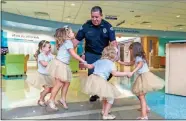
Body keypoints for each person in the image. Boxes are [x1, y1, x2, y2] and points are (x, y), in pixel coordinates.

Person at [72, 6, 117, 102]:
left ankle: (100, 87)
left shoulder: (107, 26)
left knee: (108, 73)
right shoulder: (86, 26)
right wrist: (69, 50)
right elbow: (76, 40)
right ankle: (95, 93)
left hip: (104, 55)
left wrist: (115, 53)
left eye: (97, 17)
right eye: (93, 17)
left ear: (101, 16)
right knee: (93, 74)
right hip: (91, 53)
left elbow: (113, 41)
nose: (94, 19)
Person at [82, 44, 130, 120]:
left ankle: (104, 111)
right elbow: (115, 74)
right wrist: (127, 73)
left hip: (93, 79)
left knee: (105, 96)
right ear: (113, 55)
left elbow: (90, 66)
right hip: (101, 80)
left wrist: (84, 63)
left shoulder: (99, 61)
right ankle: (106, 115)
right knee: (111, 98)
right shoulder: (111, 63)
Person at [46, 26, 87, 110]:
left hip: (63, 65)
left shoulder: (67, 42)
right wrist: (82, 60)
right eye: (72, 32)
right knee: (59, 84)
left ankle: (62, 99)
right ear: (67, 35)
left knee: (67, 82)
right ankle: (51, 100)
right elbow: (73, 54)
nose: (73, 33)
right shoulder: (68, 42)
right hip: (60, 65)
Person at [126, 42, 164, 119]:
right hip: (142, 76)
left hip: (145, 76)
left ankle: (144, 116)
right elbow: (130, 63)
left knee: (141, 96)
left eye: (130, 50)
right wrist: (119, 62)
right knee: (139, 93)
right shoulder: (138, 57)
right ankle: (145, 107)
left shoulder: (139, 58)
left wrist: (132, 72)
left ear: (134, 49)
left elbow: (140, 65)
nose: (130, 51)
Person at [26, 40, 54, 106]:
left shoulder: (51, 55)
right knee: (47, 89)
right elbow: (44, 64)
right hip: (42, 76)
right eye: (48, 47)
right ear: (42, 48)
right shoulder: (41, 55)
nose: (50, 48)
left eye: (50, 47)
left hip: (49, 75)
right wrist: (52, 63)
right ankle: (41, 100)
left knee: (51, 89)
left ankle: (42, 94)